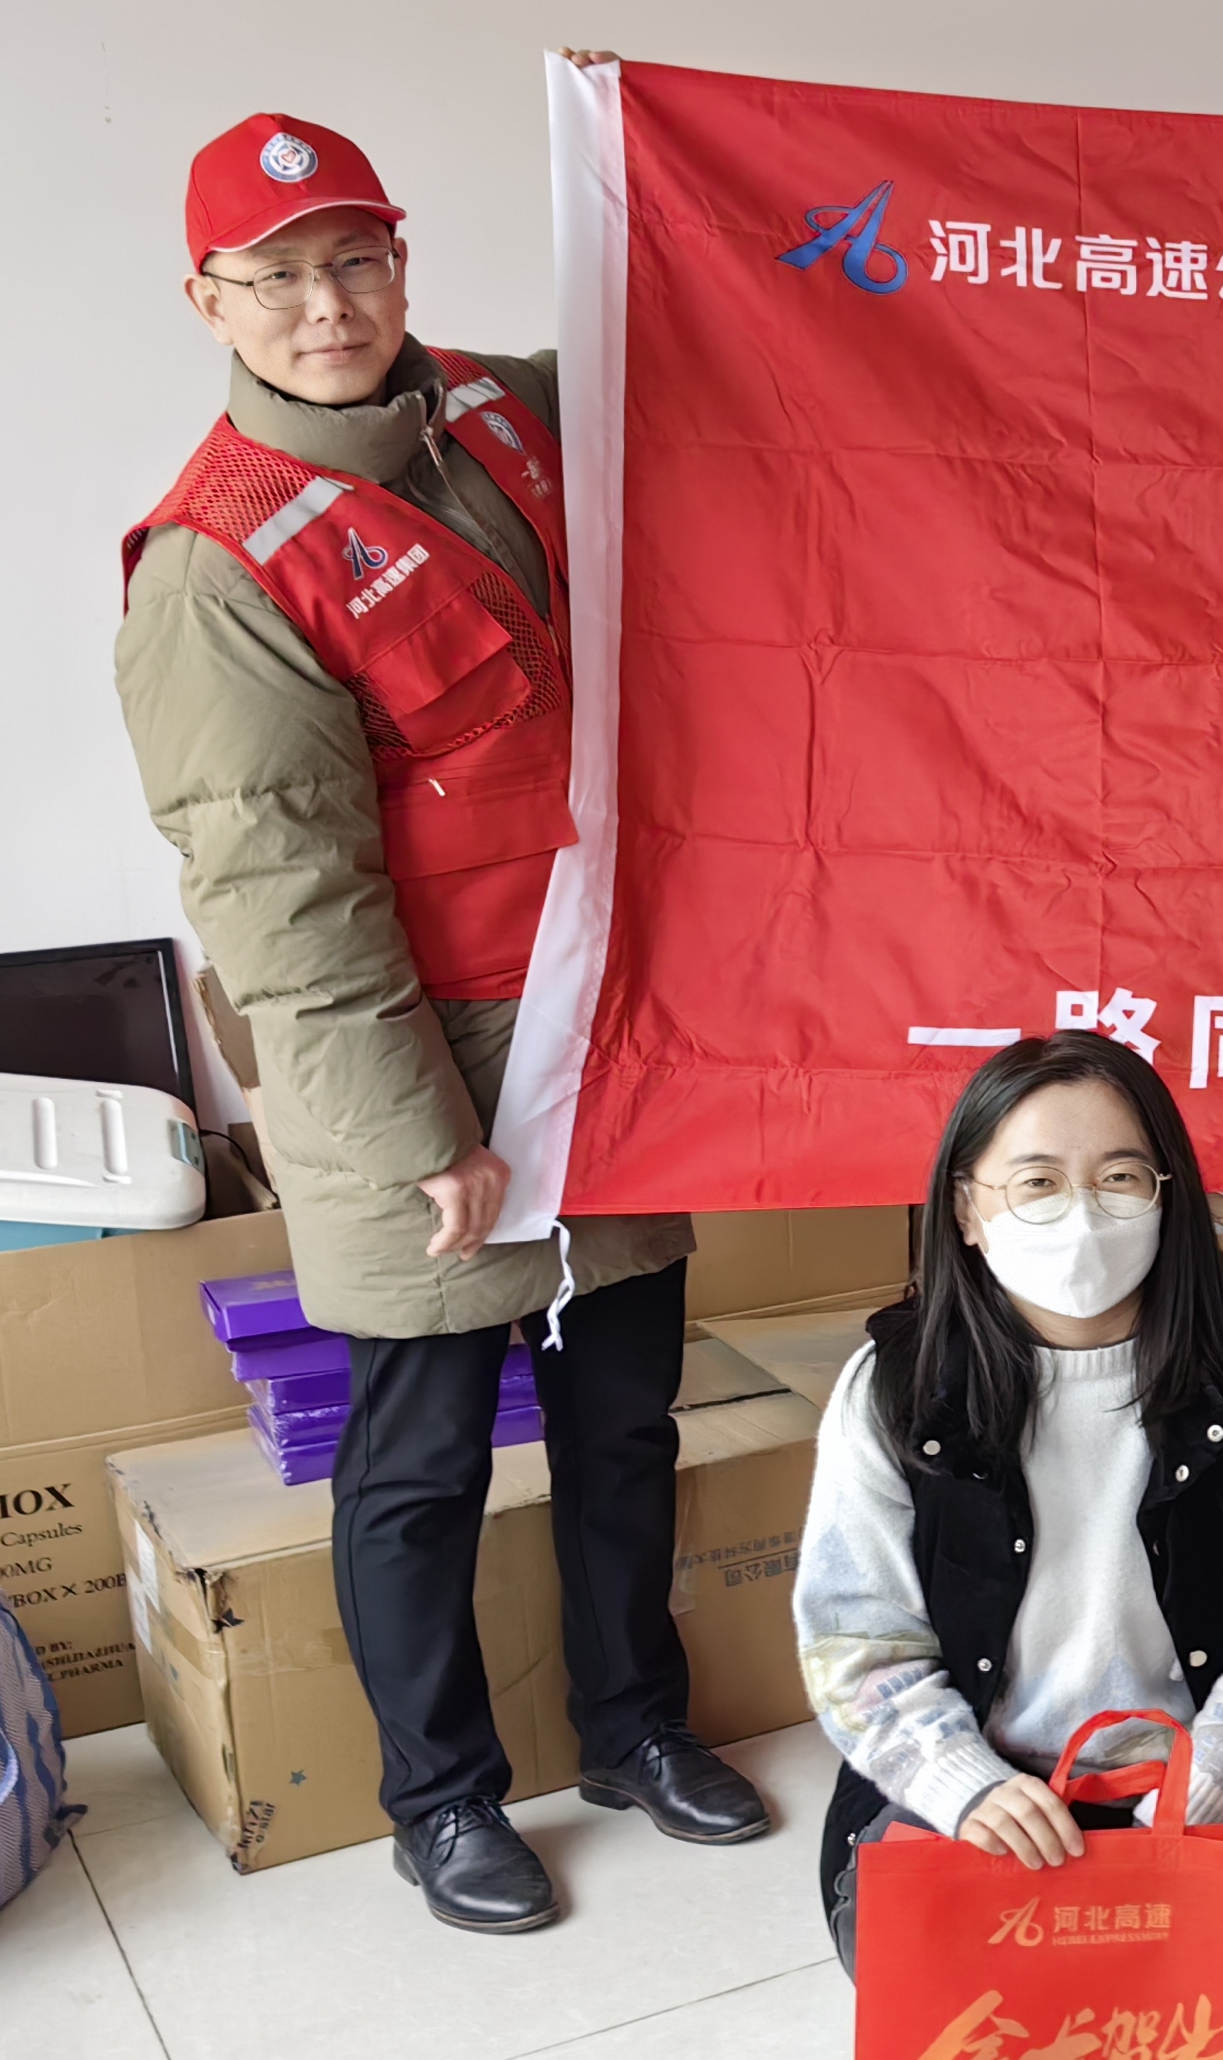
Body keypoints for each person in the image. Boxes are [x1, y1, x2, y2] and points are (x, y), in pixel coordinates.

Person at [115, 108, 763, 1935]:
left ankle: (635, 1731)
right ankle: (444, 1800)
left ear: (401, 260)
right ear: (209, 301)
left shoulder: (493, 408)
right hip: (406, 1062)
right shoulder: (216, 570)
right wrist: (425, 1142)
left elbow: (705, 354)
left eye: (356, 259)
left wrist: (733, 187)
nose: (327, 306)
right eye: (277, 279)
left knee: (624, 1411)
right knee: (421, 1457)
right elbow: (287, 906)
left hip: (601, 1016)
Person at [782, 1030, 1223, 2060]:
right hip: (995, 1791)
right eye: (1035, 1181)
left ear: (1168, 1193)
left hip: (1218, 1785)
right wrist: (962, 1786)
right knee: (985, 2003)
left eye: (1120, 1177)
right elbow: (854, 1642)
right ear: (967, 1209)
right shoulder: (897, 1384)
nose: (1081, 1213)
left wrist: (1208, 1780)